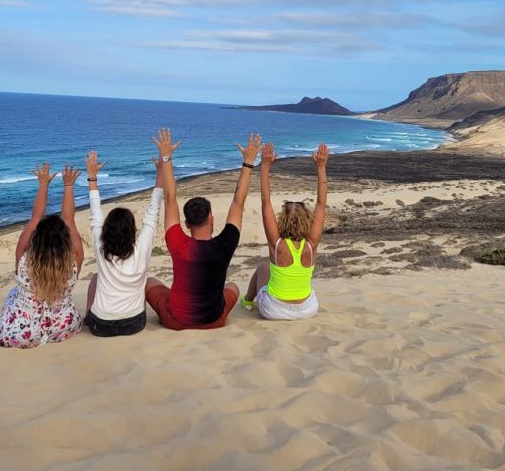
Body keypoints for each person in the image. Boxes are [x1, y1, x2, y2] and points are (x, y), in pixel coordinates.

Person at [145, 128, 262, 330]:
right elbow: (238, 203)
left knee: (148, 282)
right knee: (233, 286)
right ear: (212, 220)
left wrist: (166, 157)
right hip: (215, 320)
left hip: (177, 320)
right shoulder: (224, 244)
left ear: (187, 225)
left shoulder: (177, 242)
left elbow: (170, 199)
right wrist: (248, 162)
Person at [0, 162, 84, 348]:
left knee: (13, 293)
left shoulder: (22, 261)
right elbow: (69, 220)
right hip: (63, 327)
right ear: (65, 242)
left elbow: (35, 218)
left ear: (36, 241)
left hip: (20, 334)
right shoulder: (73, 264)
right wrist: (68, 185)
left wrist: (43, 184)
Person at [242, 142, 329, 320]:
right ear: (307, 219)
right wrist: (321, 167)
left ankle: (247, 302)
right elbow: (321, 204)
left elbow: (266, 203)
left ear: (283, 218)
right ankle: (250, 301)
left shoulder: (277, 243)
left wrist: (265, 166)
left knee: (262, 268)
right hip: (308, 309)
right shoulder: (312, 244)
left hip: (275, 310)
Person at [83, 150, 163, 337]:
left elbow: (95, 214)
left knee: (96, 278)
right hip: (134, 324)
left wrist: (92, 178)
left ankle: (88, 317)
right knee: (143, 279)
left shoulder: (100, 246)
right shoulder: (142, 247)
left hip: (101, 326)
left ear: (106, 231)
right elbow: (153, 212)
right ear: (132, 230)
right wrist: (160, 174)